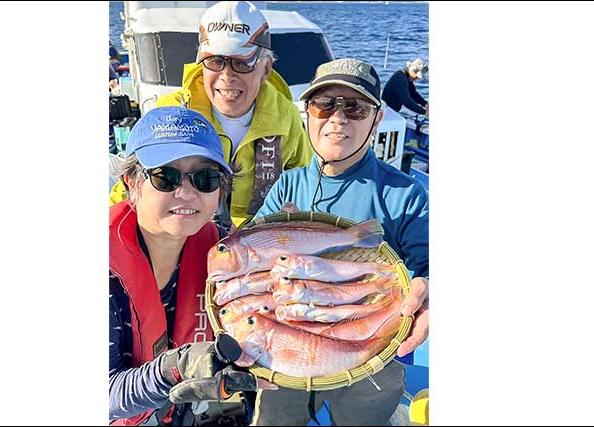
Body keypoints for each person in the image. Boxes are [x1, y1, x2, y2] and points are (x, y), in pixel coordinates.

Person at [251, 58, 430, 426]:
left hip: (370, 356)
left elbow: (431, 265)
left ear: (377, 119)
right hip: (289, 352)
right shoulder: (286, 185)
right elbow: (251, 257)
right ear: (308, 115)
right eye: (324, 104)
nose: (338, 117)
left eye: (355, 107)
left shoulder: (405, 194)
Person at [109, 106, 265, 425]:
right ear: (132, 184)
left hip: (190, 410)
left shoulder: (222, 248)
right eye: (165, 177)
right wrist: (175, 367)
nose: (186, 193)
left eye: (204, 178)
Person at [109, 1, 312, 230]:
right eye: (215, 61)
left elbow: (305, 184)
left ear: (266, 69)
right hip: (187, 236)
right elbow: (131, 189)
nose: (226, 76)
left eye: (241, 63)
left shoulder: (287, 118)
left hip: (255, 242)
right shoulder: (170, 115)